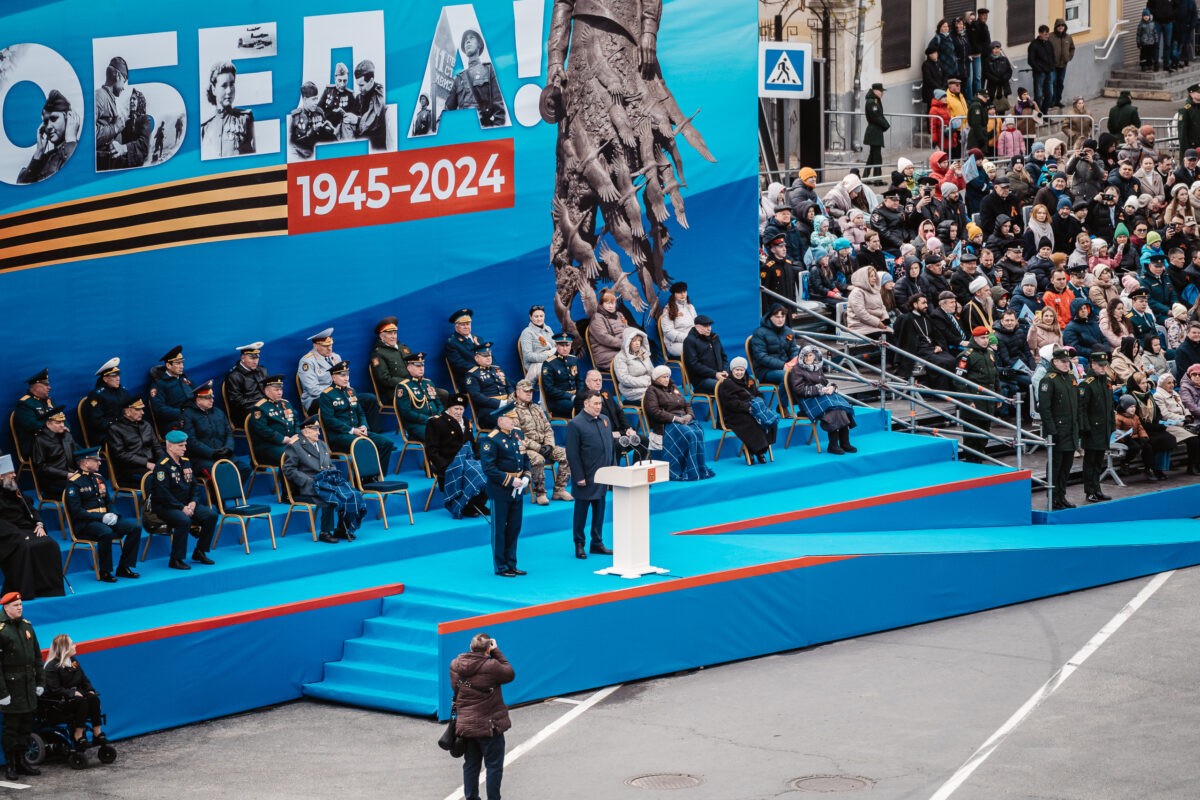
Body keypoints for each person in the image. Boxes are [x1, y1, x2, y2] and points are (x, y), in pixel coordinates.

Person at [450, 633, 514, 800]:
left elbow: (456, 688)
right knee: (493, 767)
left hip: (466, 726)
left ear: (470, 647)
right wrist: (497, 651)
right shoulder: (491, 666)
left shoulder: (455, 664)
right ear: (488, 649)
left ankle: (471, 797)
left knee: (470, 765)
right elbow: (509, 673)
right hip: (488, 727)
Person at [283, 416, 366, 543]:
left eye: (318, 429)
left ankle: (342, 529)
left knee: (353, 495)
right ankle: (325, 532)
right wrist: (307, 481)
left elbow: (330, 464)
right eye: (315, 429)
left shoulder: (322, 444)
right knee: (330, 499)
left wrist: (333, 474)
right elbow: (289, 469)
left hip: (327, 482)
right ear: (306, 431)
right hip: (311, 485)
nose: (318, 432)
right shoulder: (296, 446)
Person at [64, 447, 141, 582]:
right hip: (86, 523)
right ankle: (105, 571)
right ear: (85, 463)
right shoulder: (74, 482)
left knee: (135, 528)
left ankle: (124, 567)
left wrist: (114, 514)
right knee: (106, 532)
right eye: (96, 460)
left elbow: (108, 502)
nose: (100, 463)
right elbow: (76, 511)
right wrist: (101, 517)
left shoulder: (99, 478)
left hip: (106, 518)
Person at [0, 456, 65, 599]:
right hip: (7, 536)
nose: (14, 475)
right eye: (10, 472)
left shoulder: (15, 490)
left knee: (50, 544)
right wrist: (18, 535)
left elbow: (31, 509)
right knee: (25, 546)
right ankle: (27, 591)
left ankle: (49, 589)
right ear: (1, 476)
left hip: (27, 529)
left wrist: (39, 524)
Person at [151, 430, 217, 569]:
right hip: (166, 506)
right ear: (170, 447)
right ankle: (176, 559)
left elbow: (194, 486)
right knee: (183, 520)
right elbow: (162, 494)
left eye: (184, 445)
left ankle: (200, 551)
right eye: (181, 445)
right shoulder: (162, 466)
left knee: (211, 515)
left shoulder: (186, 462)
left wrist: (193, 502)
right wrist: (182, 507)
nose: (184, 448)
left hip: (187, 504)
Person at [479, 404, 530, 577]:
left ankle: (511, 563)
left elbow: (525, 458)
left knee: (515, 527)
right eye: (511, 419)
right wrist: (510, 481)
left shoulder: (517, 434)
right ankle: (500, 566)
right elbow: (489, 468)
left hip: (518, 488)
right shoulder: (491, 439)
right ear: (500, 420)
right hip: (501, 490)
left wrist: (526, 476)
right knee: (500, 529)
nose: (514, 421)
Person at [565, 391, 615, 559]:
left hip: (602, 475)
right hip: (585, 476)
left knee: (600, 511)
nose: (598, 407)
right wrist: (579, 476)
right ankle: (579, 544)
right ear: (586, 404)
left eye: (600, 404)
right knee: (581, 512)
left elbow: (610, 447)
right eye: (595, 404)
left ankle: (597, 543)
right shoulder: (576, 424)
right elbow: (572, 454)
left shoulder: (605, 420)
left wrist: (612, 470)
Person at [0, 592, 43, 781]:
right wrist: (2, 693)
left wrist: (40, 682)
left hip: (27, 684)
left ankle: (22, 762)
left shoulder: (27, 626)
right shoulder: (2, 630)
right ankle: (11, 765)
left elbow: (37, 657)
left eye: (20, 604)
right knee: (11, 728)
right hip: (11, 685)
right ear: (6, 607)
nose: (20, 607)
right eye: (16, 605)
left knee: (26, 725)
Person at [317, 362, 394, 468]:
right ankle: (363, 479)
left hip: (358, 432)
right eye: (342, 375)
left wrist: (364, 426)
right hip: (339, 436)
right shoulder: (326, 395)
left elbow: (360, 413)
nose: (346, 378)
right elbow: (329, 420)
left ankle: (376, 476)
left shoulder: (351, 391)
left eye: (347, 375)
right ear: (333, 377)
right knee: (363, 444)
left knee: (386, 443)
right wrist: (352, 430)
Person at [644, 366, 715, 480]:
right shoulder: (651, 391)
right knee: (689, 434)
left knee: (699, 431)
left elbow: (687, 405)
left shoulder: (674, 387)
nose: (667, 379)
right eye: (664, 377)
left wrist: (689, 415)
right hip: (666, 423)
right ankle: (688, 469)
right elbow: (654, 411)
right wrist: (675, 418)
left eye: (668, 376)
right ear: (657, 378)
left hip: (683, 418)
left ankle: (698, 467)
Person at [425, 394, 489, 519]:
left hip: (467, 459)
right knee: (474, 471)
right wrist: (444, 466)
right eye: (456, 409)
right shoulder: (436, 422)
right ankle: (464, 505)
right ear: (448, 408)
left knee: (487, 467)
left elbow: (472, 443)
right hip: (449, 462)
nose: (459, 412)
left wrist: (479, 457)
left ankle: (478, 503)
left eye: (461, 409)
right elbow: (431, 450)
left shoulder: (465, 421)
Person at [298, 328, 380, 425]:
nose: (330, 348)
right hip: (317, 400)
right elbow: (313, 390)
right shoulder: (307, 361)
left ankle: (371, 434)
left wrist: (348, 391)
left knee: (370, 399)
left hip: (341, 394)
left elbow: (345, 379)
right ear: (315, 346)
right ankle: (347, 435)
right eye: (325, 346)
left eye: (331, 345)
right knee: (340, 403)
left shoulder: (336, 357)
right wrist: (335, 393)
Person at [787, 345, 858, 454]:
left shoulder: (817, 366)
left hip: (820, 397)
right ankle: (833, 445)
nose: (807, 358)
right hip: (807, 402)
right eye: (805, 356)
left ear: (814, 355)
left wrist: (831, 387)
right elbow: (799, 390)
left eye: (810, 355)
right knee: (831, 409)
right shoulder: (797, 370)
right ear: (800, 357)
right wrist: (819, 389)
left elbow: (824, 382)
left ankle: (845, 442)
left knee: (841, 406)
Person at [43, 635, 108, 752]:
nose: (75, 645)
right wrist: (72, 693)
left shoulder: (73, 661)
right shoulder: (51, 667)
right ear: (65, 648)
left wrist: (90, 690)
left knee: (93, 698)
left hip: (76, 698)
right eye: (72, 644)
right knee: (81, 701)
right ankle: (78, 735)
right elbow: (55, 690)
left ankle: (97, 733)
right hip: (60, 703)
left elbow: (84, 679)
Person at [512, 381, 571, 506]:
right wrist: (538, 447)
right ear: (517, 392)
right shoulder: (512, 410)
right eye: (526, 391)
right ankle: (540, 493)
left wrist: (549, 445)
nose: (529, 394)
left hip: (545, 445)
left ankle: (559, 490)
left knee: (567, 454)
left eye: (531, 391)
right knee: (538, 459)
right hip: (525, 448)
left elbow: (548, 428)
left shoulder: (536, 407)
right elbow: (518, 436)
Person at [181, 380, 248, 481]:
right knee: (218, 473)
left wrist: (228, 449)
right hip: (202, 458)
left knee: (245, 469)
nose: (211, 400)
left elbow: (229, 433)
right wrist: (212, 453)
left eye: (212, 397)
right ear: (198, 399)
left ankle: (230, 493)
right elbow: (191, 441)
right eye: (207, 398)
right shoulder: (187, 415)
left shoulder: (218, 412)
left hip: (224, 455)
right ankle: (216, 496)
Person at [1038, 348, 1079, 509]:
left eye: (1067, 361)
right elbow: (1045, 409)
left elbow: (1077, 403)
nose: (1066, 364)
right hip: (1058, 429)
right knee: (1056, 465)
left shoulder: (1070, 377)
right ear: (1054, 361)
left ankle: (1061, 495)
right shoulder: (1049, 380)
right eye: (1063, 361)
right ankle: (1053, 496)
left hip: (1070, 428)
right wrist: (1051, 431)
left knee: (1067, 465)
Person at [574, 370, 646, 463]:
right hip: (600, 436)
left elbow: (619, 412)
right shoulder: (582, 397)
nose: (598, 382)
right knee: (617, 444)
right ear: (587, 382)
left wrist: (628, 428)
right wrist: (608, 433)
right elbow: (586, 421)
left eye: (600, 380)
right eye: (595, 380)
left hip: (619, 433)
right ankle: (613, 473)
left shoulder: (605, 393)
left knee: (643, 440)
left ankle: (636, 470)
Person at [716, 358, 778, 463]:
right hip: (735, 414)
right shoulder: (727, 384)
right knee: (752, 422)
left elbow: (758, 394)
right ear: (732, 370)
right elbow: (731, 403)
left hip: (752, 409)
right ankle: (756, 451)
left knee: (769, 418)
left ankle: (762, 449)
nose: (739, 372)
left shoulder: (750, 380)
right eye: (737, 370)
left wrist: (760, 403)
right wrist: (748, 407)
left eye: (741, 370)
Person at [443, 30, 506, 128]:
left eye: (471, 38)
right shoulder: (459, 78)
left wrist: (492, 135)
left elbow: (499, 111)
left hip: (483, 131)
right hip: (463, 132)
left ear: (479, 44)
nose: (467, 41)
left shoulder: (488, 70)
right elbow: (446, 112)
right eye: (465, 41)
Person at [17, 90, 79, 184]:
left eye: (54, 118)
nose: (48, 126)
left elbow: (76, 180)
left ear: (68, 118)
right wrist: (39, 152)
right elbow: (21, 187)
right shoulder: (43, 159)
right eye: (46, 122)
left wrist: (70, 141)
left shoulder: (81, 151)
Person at [956, 327, 999, 461]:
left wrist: (998, 395)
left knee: (984, 434)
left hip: (988, 399)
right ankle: (972, 463)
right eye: (982, 338)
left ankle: (978, 460)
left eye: (987, 338)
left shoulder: (989, 354)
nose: (985, 341)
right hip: (974, 399)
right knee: (972, 437)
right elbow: (959, 381)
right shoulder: (966, 355)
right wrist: (968, 400)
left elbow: (995, 376)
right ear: (974, 338)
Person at [1078, 352, 1114, 502]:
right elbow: (1082, 408)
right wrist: (1085, 428)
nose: (1103, 368)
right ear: (1092, 364)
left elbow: (1110, 406)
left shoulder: (1106, 382)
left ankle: (1097, 488)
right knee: (1090, 462)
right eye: (1100, 365)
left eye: (1105, 365)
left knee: (1099, 461)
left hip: (1103, 428)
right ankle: (1090, 491)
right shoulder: (1087, 384)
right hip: (1092, 429)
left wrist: (1111, 425)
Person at [200, 61, 255, 158]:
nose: (229, 90)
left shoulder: (245, 119)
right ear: (214, 89)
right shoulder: (205, 127)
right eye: (224, 86)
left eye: (232, 84)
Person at [106, 398, 163, 488]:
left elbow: (157, 447)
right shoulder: (115, 429)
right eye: (138, 409)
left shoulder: (146, 425)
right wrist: (146, 463)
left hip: (152, 464)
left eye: (142, 409)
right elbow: (120, 454)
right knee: (158, 478)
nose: (142, 412)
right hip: (130, 469)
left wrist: (163, 462)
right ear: (127, 412)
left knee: (171, 471)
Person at [248, 375, 299, 468]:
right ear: (267, 391)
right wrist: (282, 439)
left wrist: (297, 435)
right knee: (291, 457)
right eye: (276, 390)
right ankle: (289, 482)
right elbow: (262, 430)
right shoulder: (259, 408)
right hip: (270, 446)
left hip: (292, 441)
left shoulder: (286, 403)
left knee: (314, 449)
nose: (280, 392)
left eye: (281, 390)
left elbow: (296, 421)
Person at [463, 343, 514, 430]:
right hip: (489, 410)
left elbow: (509, 386)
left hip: (507, 405)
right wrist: (500, 403)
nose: (489, 357)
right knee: (510, 422)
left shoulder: (497, 369)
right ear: (476, 358)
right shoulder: (472, 375)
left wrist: (512, 398)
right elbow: (476, 396)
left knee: (529, 415)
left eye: (489, 355)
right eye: (485, 356)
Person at [396, 353, 445, 443]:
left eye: (422, 365)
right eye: (417, 366)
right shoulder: (404, 386)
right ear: (409, 368)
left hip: (435, 420)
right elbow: (406, 412)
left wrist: (439, 416)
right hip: (418, 424)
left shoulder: (428, 383)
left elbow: (439, 404)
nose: (421, 368)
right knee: (437, 437)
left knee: (454, 430)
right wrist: (428, 419)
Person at [30, 406, 77, 499]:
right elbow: (41, 467)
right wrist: (66, 474)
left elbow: (77, 454)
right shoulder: (39, 440)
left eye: (63, 422)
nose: (63, 425)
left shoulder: (67, 435)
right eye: (58, 422)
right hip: (53, 480)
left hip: (72, 474)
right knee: (80, 489)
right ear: (48, 424)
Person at [82, 358, 131, 445]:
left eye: (118, 375)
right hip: (106, 433)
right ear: (105, 379)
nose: (118, 378)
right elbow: (97, 422)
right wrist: (119, 426)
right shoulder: (96, 395)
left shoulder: (123, 391)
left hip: (123, 428)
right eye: (114, 376)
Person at [749, 304, 800, 388]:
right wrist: (782, 365)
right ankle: (786, 401)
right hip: (765, 371)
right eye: (777, 317)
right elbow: (761, 357)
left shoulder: (788, 332)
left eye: (782, 316)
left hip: (786, 366)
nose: (780, 319)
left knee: (807, 372)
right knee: (789, 376)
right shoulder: (759, 333)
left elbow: (793, 350)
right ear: (770, 317)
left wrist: (794, 362)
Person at [149, 345, 194, 431]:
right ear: (168, 366)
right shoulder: (159, 384)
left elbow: (196, 393)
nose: (182, 366)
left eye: (182, 362)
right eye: (178, 363)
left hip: (191, 416)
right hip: (174, 422)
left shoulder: (184, 379)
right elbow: (159, 409)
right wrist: (182, 413)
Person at [681, 315, 729, 395]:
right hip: (702, 380)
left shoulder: (715, 337)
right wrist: (715, 374)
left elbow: (724, 357)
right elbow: (694, 365)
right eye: (705, 326)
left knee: (740, 381)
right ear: (697, 326)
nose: (709, 328)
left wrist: (725, 371)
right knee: (727, 387)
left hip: (719, 375)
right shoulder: (689, 341)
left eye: (710, 325)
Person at [369, 317, 414, 401]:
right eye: (390, 334)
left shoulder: (403, 348)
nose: (393, 337)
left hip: (413, 386)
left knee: (441, 394)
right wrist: (407, 382)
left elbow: (415, 366)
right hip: (395, 390)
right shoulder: (377, 354)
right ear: (381, 336)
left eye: (395, 333)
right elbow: (384, 379)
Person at [224, 342, 269, 427]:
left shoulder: (262, 370)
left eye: (257, 358)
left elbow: (269, 389)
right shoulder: (234, 376)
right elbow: (237, 401)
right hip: (246, 413)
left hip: (264, 407)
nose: (255, 361)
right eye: (252, 358)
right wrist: (262, 405)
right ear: (242, 358)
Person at [12, 369, 53, 459]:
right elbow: (32, 426)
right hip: (36, 445)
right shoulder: (24, 404)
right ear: (36, 387)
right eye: (46, 385)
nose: (49, 387)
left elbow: (62, 419)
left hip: (54, 440)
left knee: (72, 445)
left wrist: (65, 428)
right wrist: (52, 428)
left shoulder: (50, 401)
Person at [541, 334, 583, 418]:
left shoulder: (573, 359)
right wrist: (571, 396)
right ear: (556, 346)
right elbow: (549, 389)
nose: (565, 348)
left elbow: (579, 381)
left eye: (567, 345)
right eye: (562, 345)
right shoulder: (549, 363)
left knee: (596, 403)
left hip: (575, 397)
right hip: (557, 401)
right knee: (582, 407)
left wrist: (580, 395)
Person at [347, 60, 387, 149]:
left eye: (361, 85)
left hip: (376, 149)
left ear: (371, 80)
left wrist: (357, 121)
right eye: (358, 85)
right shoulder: (359, 98)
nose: (359, 89)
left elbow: (373, 122)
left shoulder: (381, 97)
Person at [587, 290, 628, 372]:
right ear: (602, 304)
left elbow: (627, 329)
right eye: (608, 303)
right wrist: (625, 344)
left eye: (613, 303)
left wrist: (634, 338)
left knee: (641, 354)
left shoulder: (619, 315)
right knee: (631, 360)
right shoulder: (597, 317)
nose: (611, 306)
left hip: (620, 349)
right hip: (605, 353)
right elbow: (604, 337)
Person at [289, 81, 331, 160]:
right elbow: (291, 144)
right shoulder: (295, 117)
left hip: (320, 156)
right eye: (313, 99)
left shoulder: (319, 112)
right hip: (302, 157)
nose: (316, 102)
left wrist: (329, 130)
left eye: (317, 99)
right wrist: (312, 132)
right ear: (305, 99)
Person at [614, 328, 655, 402]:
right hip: (630, 389)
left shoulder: (644, 353)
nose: (637, 343)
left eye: (639, 340)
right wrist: (645, 382)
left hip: (648, 384)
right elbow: (624, 379)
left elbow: (652, 371)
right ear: (628, 342)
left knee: (666, 387)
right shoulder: (620, 357)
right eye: (634, 340)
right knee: (656, 393)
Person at [445, 309, 483, 389]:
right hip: (470, 378)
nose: (466, 327)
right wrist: (481, 370)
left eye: (468, 324)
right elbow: (459, 364)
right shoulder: (452, 343)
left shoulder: (479, 339)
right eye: (462, 324)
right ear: (456, 326)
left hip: (486, 374)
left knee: (509, 383)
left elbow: (490, 357)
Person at [518, 305, 556, 382]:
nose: (539, 319)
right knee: (548, 373)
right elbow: (528, 356)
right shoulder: (527, 332)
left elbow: (555, 346)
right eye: (536, 316)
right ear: (530, 317)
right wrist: (547, 355)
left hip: (552, 361)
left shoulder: (548, 329)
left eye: (541, 316)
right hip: (535, 365)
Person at [318, 63, 355, 141]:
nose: (342, 84)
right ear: (335, 78)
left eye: (345, 81)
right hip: (326, 128)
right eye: (339, 80)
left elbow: (353, 117)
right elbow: (319, 109)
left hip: (340, 132)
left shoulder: (350, 95)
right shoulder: (328, 90)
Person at [661, 282, 697, 358]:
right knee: (696, 348)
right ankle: (694, 370)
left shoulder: (690, 307)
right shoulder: (668, 310)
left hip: (691, 340)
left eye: (684, 292)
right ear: (674, 294)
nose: (683, 294)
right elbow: (668, 331)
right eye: (679, 292)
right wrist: (688, 338)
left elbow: (696, 325)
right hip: (674, 343)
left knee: (709, 345)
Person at [1027, 25, 1055, 115]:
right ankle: (1037, 114)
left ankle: (1044, 113)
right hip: (1039, 73)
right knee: (1038, 95)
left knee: (1049, 94)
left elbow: (1052, 56)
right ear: (1040, 33)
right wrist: (1039, 69)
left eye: (1048, 34)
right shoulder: (1034, 45)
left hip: (1049, 72)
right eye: (1045, 34)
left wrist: (1052, 66)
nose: (1047, 36)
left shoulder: (1049, 43)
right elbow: (1031, 60)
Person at [863, 83, 888, 179]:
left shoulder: (875, 100)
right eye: (881, 91)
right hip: (874, 132)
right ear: (875, 91)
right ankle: (876, 179)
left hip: (876, 131)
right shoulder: (871, 102)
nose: (882, 93)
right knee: (877, 158)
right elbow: (876, 117)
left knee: (873, 157)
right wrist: (886, 125)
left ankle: (866, 177)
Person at [1048, 19, 1075, 110]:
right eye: (1059, 26)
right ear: (1056, 27)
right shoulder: (1050, 36)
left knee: (1060, 83)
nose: (1061, 27)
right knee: (1052, 82)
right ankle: (1051, 101)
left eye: (1062, 26)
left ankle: (1057, 101)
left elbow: (1072, 48)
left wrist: (1069, 58)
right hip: (1053, 65)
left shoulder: (1068, 37)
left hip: (1063, 65)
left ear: (1065, 27)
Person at [1179, 85, 1200, 155]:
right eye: (1198, 92)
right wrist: (1186, 151)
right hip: (1191, 148)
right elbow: (1182, 133)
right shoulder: (1186, 109)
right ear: (1191, 94)